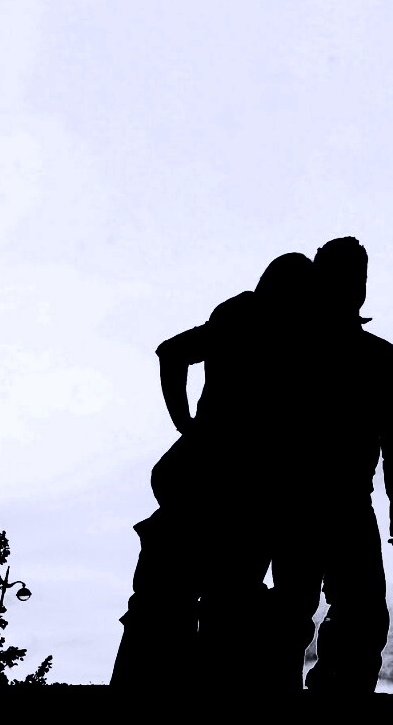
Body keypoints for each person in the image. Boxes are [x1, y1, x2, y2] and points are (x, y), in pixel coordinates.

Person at [111, 252, 325, 693]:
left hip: (201, 472)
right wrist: (186, 423)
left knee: (165, 597)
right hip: (243, 484)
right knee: (222, 599)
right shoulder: (285, 329)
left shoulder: (238, 315)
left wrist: (186, 423)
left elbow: (171, 352)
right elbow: (171, 353)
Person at [280, 236, 393, 695]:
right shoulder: (377, 356)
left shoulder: (289, 348)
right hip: (327, 499)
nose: (356, 287)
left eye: (359, 278)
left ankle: (305, 692)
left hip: (312, 498)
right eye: (349, 278)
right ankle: (333, 694)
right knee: (346, 610)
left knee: (314, 608)